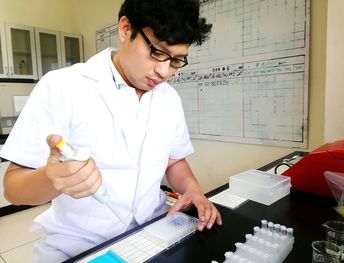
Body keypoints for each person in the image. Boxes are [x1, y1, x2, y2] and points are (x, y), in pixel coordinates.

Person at [0, 0, 222, 261]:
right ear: (126, 29)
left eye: (175, 61)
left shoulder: (168, 98)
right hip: (80, 247)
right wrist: (53, 179)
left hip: (153, 234)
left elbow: (175, 160)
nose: (163, 71)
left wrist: (192, 189)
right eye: (157, 53)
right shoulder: (63, 86)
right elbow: (13, 188)